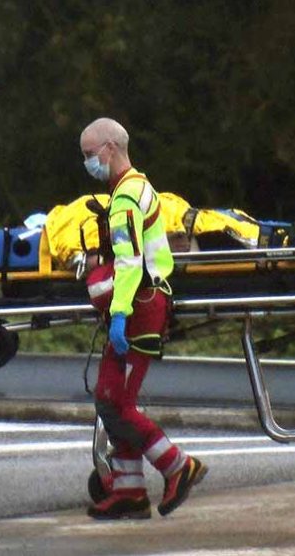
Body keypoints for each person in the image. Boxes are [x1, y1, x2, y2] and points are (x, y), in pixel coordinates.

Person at [80, 117, 207, 520]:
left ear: (110, 150)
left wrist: (117, 313)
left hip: (138, 306)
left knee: (117, 400)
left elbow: (130, 262)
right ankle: (130, 490)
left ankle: (176, 465)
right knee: (109, 396)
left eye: (89, 155)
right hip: (140, 303)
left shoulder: (125, 200)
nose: (87, 163)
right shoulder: (138, 188)